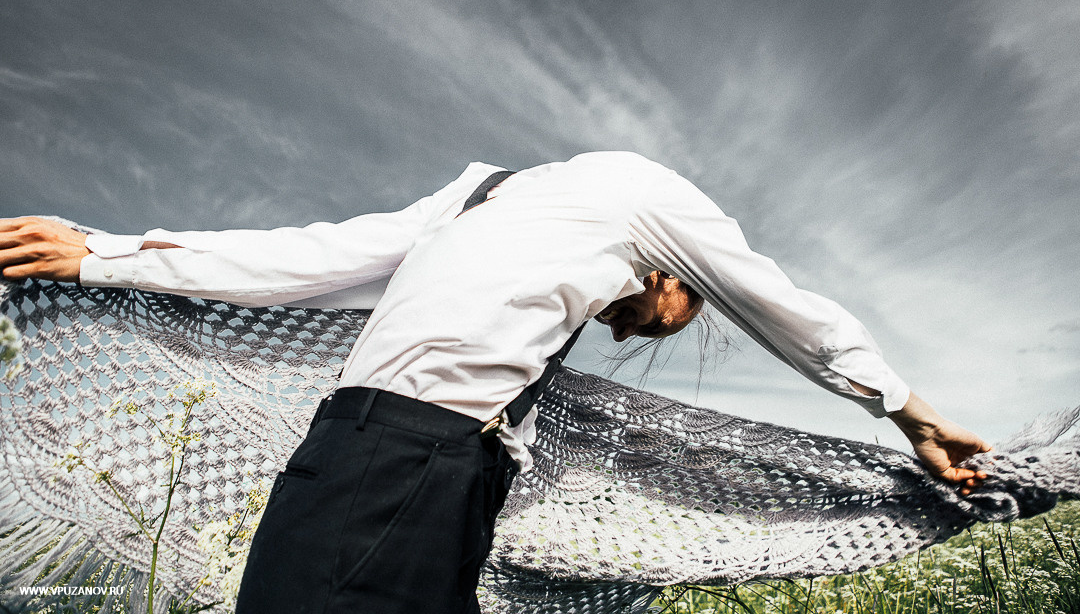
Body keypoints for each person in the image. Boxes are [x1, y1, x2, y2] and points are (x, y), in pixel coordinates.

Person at [0, 151, 989, 614]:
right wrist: (107, 253)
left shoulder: (497, 205)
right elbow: (306, 259)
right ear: (671, 279)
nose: (627, 324)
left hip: (430, 469)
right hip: (386, 460)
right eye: (659, 319)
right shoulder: (626, 193)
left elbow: (315, 256)